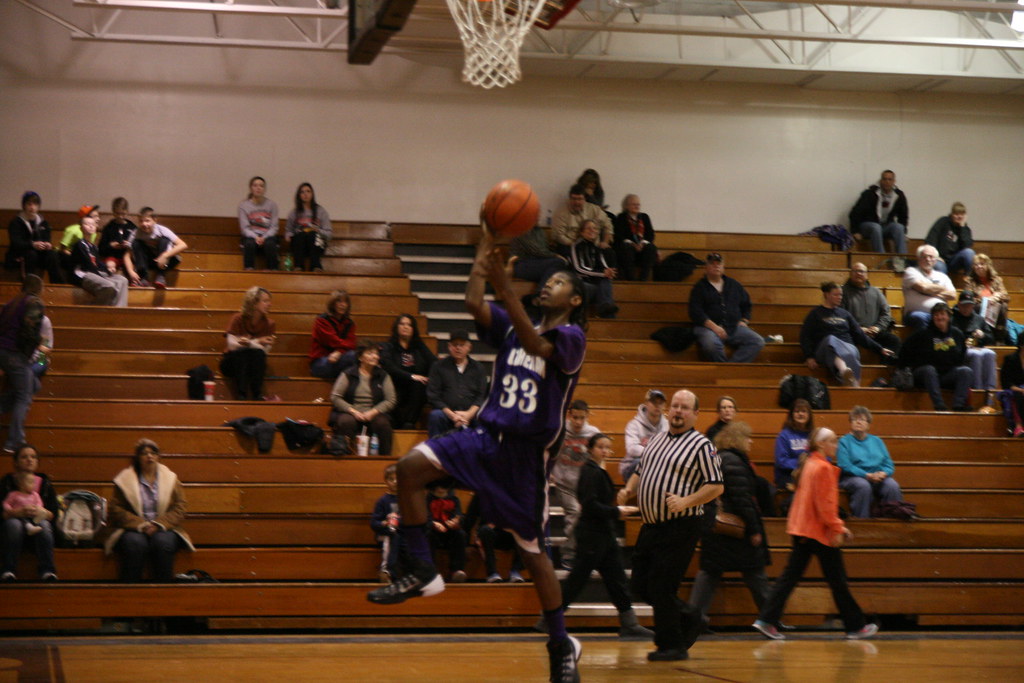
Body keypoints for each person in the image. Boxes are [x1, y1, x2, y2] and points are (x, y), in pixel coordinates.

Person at [366, 222, 588, 683]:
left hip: (524, 458)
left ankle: (561, 643)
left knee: (535, 556)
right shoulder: (512, 328)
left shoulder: (572, 339)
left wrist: (505, 288)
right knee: (408, 468)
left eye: (559, 281)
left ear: (575, 299)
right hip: (485, 438)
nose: (549, 284)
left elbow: (537, 344)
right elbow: (472, 303)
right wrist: (483, 255)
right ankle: (424, 569)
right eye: (547, 280)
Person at [616, 389, 723, 662]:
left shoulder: (702, 445)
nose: (678, 411)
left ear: (695, 414)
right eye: (675, 406)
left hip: (681, 525)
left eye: (685, 407)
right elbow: (640, 470)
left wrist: (686, 501)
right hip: (651, 525)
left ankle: (671, 645)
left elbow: (716, 486)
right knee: (640, 585)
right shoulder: (656, 439)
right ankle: (691, 616)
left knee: (662, 587)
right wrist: (628, 489)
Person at [753, 427, 879, 641]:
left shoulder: (809, 463)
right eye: (833, 441)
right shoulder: (822, 468)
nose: (836, 445)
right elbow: (825, 505)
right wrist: (838, 527)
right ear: (821, 444)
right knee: (837, 580)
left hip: (803, 529)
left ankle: (766, 619)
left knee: (791, 578)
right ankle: (856, 626)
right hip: (817, 531)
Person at [557, 434, 652, 640]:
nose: (605, 451)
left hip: (604, 534)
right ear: (591, 449)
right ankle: (550, 619)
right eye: (600, 447)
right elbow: (589, 505)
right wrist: (616, 512)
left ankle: (630, 624)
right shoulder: (590, 472)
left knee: (617, 579)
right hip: (591, 535)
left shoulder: (597, 471)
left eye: (607, 447)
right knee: (578, 579)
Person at [688, 422, 771, 629]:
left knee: (710, 572)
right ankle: (770, 618)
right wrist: (754, 529)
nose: (751, 442)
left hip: (715, 527)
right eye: (748, 437)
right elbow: (742, 499)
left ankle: (693, 620)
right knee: (754, 572)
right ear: (738, 439)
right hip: (734, 529)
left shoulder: (720, 458)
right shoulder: (734, 462)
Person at [103, 439, 193, 582]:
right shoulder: (125, 480)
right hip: (133, 528)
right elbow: (116, 508)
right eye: (144, 453)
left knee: (163, 543)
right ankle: (131, 589)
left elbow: (180, 506)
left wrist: (158, 524)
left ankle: (163, 588)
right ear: (138, 458)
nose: (149, 456)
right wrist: (141, 525)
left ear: (158, 457)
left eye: (153, 453)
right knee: (135, 544)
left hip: (164, 528)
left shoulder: (171, 479)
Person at [801, 281, 892, 387]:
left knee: (845, 352)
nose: (839, 297)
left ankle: (845, 374)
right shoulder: (815, 313)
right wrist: (809, 356)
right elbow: (805, 336)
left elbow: (859, 335)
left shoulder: (845, 314)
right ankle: (849, 376)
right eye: (836, 295)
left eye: (841, 295)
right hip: (824, 349)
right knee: (830, 340)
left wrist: (879, 349)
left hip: (847, 347)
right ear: (826, 295)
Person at [549, 399, 601, 570]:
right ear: (569, 415)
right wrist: (549, 471)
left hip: (584, 485)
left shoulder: (593, 433)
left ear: (587, 416)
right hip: (564, 483)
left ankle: (587, 553)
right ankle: (568, 554)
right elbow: (548, 449)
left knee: (588, 517)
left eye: (582, 418)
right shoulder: (560, 430)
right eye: (575, 417)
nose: (578, 422)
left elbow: (599, 456)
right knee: (576, 512)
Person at [689, 252, 764, 363]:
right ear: (706, 267)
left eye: (719, 264)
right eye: (712, 264)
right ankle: (724, 369)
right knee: (711, 344)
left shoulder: (734, 285)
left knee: (757, 341)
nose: (716, 266)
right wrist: (714, 327)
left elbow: (746, 305)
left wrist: (744, 320)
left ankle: (731, 368)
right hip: (707, 328)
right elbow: (695, 312)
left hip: (733, 327)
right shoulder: (699, 287)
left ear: (723, 266)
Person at [899, 302, 973, 411]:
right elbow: (904, 349)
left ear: (948, 317)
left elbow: (962, 356)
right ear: (932, 317)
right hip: (924, 374)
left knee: (966, 371)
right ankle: (939, 405)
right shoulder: (922, 333)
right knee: (929, 370)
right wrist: (904, 368)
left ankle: (959, 406)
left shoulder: (957, 334)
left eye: (942, 314)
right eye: (936, 315)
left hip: (946, 375)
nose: (939, 317)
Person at [0, 275, 45, 452]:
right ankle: (15, 441)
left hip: (3, 352)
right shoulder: (34, 303)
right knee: (24, 396)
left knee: (34, 385)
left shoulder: (12, 303)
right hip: (16, 354)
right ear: (39, 288)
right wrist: (38, 342)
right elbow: (30, 332)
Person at [1, 445, 58, 581]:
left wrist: (42, 512)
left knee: (44, 526)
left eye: (33, 457)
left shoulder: (45, 483)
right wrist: (16, 512)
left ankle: (47, 571)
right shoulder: (7, 482)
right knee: (14, 525)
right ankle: (8, 570)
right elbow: (2, 513)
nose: (29, 460)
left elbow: (53, 514)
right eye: (24, 457)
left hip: (37, 523)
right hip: (13, 525)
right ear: (16, 462)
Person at [837, 406, 903, 519]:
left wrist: (883, 473)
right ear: (850, 423)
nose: (858, 422)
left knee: (892, 485)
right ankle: (862, 521)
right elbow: (845, 465)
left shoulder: (877, 441)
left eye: (862, 419)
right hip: (852, 477)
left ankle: (892, 521)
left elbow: (888, 464)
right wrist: (866, 475)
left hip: (877, 477)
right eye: (854, 419)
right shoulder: (844, 441)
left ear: (868, 424)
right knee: (863, 485)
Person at [330, 344, 396, 455]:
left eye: (376, 354)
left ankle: (384, 459)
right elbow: (335, 397)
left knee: (383, 424)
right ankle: (344, 456)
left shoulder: (383, 375)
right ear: (360, 357)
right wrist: (353, 411)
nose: (375, 356)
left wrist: (373, 412)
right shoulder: (348, 374)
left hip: (374, 412)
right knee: (345, 422)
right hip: (351, 412)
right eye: (370, 353)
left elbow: (391, 400)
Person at [425, 330, 487, 437]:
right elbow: (433, 396)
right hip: (446, 413)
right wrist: (453, 416)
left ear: (469, 347)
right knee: (435, 416)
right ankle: (436, 447)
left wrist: (468, 414)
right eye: (455, 345)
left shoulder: (478, 368)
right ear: (449, 346)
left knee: (485, 417)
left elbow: (481, 396)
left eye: (462, 345)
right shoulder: (438, 366)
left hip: (471, 414)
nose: (458, 348)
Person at [220, 286, 276, 401]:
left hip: (253, 364)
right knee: (242, 353)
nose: (269, 304)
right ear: (254, 303)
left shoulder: (270, 323)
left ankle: (257, 395)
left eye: (269, 301)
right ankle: (242, 395)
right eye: (265, 301)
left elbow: (265, 351)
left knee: (257, 354)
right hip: (232, 363)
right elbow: (232, 345)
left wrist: (249, 342)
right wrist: (258, 341)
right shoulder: (238, 318)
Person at [380, 314, 436, 429]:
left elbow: (434, 363)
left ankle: (409, 424)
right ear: (396, 327)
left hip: (415, 389)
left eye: (409, 325)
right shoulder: (389, 346)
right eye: (402, 324)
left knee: (420, 384)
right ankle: (398, 423)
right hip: (395, 384)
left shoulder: (419, 346)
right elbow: (389, 367)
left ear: (413, 329)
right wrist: (411, 376)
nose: (405, 327)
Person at [841, 262, 901, 360]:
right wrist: (858, 329)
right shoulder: (842, 292)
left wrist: (878, 327)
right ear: (850, 274)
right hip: (853, 333)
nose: (858, 273)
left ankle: (888, 367)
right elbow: (841, 315)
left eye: (861, 271)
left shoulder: (876, 292)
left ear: (867, 275)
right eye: (855, 271)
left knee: (894, 340)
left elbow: (886, 313)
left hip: (875, 332)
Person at [69, 214, 129, 307]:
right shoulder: (79, 245)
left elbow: (98, 263)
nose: (91, 226)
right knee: (109, 285)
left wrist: (108, 269)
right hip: (84, 274)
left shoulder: (94, 247)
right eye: (87, 224)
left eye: (93, 224)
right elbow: (88, 265)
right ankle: (93, 309)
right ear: (81, 228)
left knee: (123, 280)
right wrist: (104, 275)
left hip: (96, 272)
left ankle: (119, 310)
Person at [464, 494, 525, 583]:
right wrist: (467, 544)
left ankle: (516, 570)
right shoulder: (481, 493)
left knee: (524, 530)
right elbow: (469, 519)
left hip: (508, 533)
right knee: (485, 530)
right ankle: (492, 573)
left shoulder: (512, 493)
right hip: (488, 535)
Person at [5, 191, 62, 283]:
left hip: (38, 254)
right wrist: (32, 244)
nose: (32, 207)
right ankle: (29, 284)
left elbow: (47, 239)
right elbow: (16, 243)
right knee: (31, 254)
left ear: (38, 206)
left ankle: (57, 284)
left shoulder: (43, 222)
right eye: (29, 204)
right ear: (24, 206)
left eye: (35, 204)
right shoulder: (16, 222)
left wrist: (47, 244)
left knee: (52, 254)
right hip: (19, 255)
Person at [123, 207, 187, 289]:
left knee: (164, 240)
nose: (144, 224)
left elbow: (183, 245)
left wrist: (165, 255)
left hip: (166, 261)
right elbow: (127, 255)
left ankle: (161, 275)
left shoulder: (162, 230)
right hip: (150, 261)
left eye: (147, 221)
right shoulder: (136, 233)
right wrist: (131, 272)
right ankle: (143, 277)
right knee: (136, 243)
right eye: (141, 221)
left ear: (155, 220)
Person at [848, 169, 908, 255]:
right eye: (884, 179)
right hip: (868, 225)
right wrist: (855, 231)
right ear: (881, 181)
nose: (887, 182)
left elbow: (903, 215)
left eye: (890, 179)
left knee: (899, 227)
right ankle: (881, 257)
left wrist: (903, 233)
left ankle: (902, 258)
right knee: (876, 227)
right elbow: (855, 213)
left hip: (885, 225)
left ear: (894, 181)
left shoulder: (899, 195)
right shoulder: (870, 193)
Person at [569, 219, 619, 319]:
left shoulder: (597, 248)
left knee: (606, 281)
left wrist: (609, 272)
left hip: (596, 283)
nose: (592, 230)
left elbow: (604, 267)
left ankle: (605, 310)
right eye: (589, 228)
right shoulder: (576, 246)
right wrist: (602, 274)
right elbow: (579, 269)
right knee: (603, 290)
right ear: (582, 232)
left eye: (595, 228)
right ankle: (606, 310)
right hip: (581, 283)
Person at [902, 244, 957, 330]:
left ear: (935, 260)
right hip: (916, 313)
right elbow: (923, 288)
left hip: (940, 313)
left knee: (953, 318)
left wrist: (931, 291)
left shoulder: (943, 276)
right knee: (920, 317)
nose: (928, 259)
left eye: (931, 257)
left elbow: (952, 295)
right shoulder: (911, 271)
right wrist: (942, 288)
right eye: (924, 257)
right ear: (919, 258)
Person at [952, 290, 997, 392]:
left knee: (990, 353)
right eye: (964, 305)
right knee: (976, 355)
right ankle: (977, 389)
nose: (966, 308)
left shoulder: (979, 319)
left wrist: (982, 335)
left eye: (969, 305)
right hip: (961, 350)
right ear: (959, 305)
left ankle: (990, 390)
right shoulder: (953, 319)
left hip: (978, 347)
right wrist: (964, 342)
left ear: (973, 306)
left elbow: (991, 338)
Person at [309, 290, 358, 381]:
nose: (343, 305)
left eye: (345, 302)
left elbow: (352, 343)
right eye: (339, 301)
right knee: (352, 356)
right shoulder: (322, 320)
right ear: (332, 303)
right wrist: (343, 349)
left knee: (360, 357)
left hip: (340, 360)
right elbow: (332, 341)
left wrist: (339, 352)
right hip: (321, 362)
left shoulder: (349, 323)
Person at [619, 389, 667, 482]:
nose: (657, 405)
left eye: (660, 403)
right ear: (646, 403)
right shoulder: (634, 425)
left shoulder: (667, 426)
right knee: (641, 463)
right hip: (632, 465)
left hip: (658, 463)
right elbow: (632, 449)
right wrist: (655, 453)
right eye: (654, 402)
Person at [551, 183, 613, 253]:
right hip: (571, 246)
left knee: (609, 252)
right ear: (569, 198)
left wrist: (605, 242)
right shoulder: (561, 212)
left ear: (585, 199)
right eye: (574, 199)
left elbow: (608, 226)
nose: (576, 202)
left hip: (594, 246)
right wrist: (576, 245)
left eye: (580, 199)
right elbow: (558, 235)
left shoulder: (594, 209)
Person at [964, 254, 1011, 344]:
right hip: (979, 307)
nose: (979, 266)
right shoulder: (970, 281)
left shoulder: (996, 280)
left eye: (982, 264)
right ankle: (983, 336)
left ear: (988, 265)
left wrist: (998, 296)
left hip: (995, 309)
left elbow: (1007, 297)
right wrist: (986, 299)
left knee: (1003, 306)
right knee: (980, 306)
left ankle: (999, 338)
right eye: (976, 264)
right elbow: (968, 298)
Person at [285, 182, 332, 272]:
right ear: (299, 195)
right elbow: (288, 231)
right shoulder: (294, 212)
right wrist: (289, 236)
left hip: (316, 244)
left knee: (312, 235)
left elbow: (329, 234)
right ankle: (298, 267)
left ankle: (316, 266)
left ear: (312, 194)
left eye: (308, 191)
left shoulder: (321, 211)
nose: (305, 194)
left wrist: (318, 230)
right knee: (301, 235)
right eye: (302, 192)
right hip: (300, 244)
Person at [426, 483, 467, 583]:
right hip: (433, 532)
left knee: (460, 534)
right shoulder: (427, 499)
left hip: (449, 532)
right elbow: (423, 518)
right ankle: (430, 571)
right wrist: (433, 523)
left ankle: (456, 570)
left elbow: (459, 516)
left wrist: (456, 522)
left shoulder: (454, 499)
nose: (441, 490)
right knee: (428, 535)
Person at [238, 176, 279, 270]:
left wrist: (264, 237)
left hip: (267, 236)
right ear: (251, 188)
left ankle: (273, 270)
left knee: (270, 244)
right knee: (249, 244)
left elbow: (274, 227)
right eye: (255, 185)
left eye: (261, 186)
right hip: (251, 236)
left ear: (264, 189)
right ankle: (249, 269)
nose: (258, 188)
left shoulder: (272, 205)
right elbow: (244, 228)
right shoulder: (243, 206)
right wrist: (256, 237)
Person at [613, 194, 657, 281]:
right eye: (634, 204)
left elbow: (650, 234)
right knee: (625, 248)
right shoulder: (621, 217)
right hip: (628, 247)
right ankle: (631, 279)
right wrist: (632, 244)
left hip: (642, 247)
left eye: (638, 204)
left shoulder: (644, 217)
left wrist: (642, 243)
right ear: (626, 206)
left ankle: (643, 278)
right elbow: (619, 235)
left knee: (651, 248)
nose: (636, 206)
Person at [370, 464, 401, 583]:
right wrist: (384, 523)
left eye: (398, 479)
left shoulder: (406, 499)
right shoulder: (383, 501)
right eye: (391, 479)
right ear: (386, 481)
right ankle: (386, 570)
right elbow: (374, 523)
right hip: (385, 533)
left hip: (402, 532)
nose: (395, 482)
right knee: (391, 537)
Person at [508, 225, 566, 290]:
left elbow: (543, 249)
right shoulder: (521, 230)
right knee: (558, 263)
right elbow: (536, 250)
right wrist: (556, 255)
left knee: (557, 268)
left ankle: (543, 292)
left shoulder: (539, 230)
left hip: (538, 262)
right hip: (522, 264)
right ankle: (542, 293)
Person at [774, 398, 813, 491]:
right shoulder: (784, 435)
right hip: (788, 475)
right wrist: (802, 463)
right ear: (791, 415)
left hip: (810, 473)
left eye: (804, 411)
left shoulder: (814, 434)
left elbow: (825, 456)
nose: (800, 414)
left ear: (809, 415)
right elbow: (781, 461)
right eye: (797, 411)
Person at [926, 202, 975, 275]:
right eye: (956, 214)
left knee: (969, 252)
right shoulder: (943, 221)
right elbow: (930, 239)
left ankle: (969, 279)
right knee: (939, 266)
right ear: (952, 214)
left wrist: (963, 227)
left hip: (954, 261)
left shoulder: (965, 229)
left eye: (962, 214)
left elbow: (967, 246)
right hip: (939, 258)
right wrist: (936, 256)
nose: (959, 216)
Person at [98, 196, 138, 276]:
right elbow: (101, 248)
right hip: (112, 256)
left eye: (123, 213)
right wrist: (110, 245)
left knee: (133, 265)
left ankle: (133, 280)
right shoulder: (108, 227)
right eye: (117, 213)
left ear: (127, 212)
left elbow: (137, 245)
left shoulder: (132, 227)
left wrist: (128, 244)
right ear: (113, 212)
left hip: (127, 256)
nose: (120, 216)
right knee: (110, 264)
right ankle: (110, 278)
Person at [4, 471, 47, 537]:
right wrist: (9, 510)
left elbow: (39, 502)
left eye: (34, 482)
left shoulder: (35, 495)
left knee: (42, 518)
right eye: (30, 482)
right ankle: (29, 527)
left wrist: (37, 508)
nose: (34, 485)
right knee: (20, 520)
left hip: (33, 514)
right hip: (20, 515)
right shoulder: (14, 494)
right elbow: (6, 503)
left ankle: (35, 523)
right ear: (21, 485)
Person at [998, 338, 1024, 437]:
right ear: (1021, 345)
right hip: (1014, 389)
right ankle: (1018, 426)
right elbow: (1005, 382)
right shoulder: (1010, 359)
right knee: (1016, 395)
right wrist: (1021, 389)